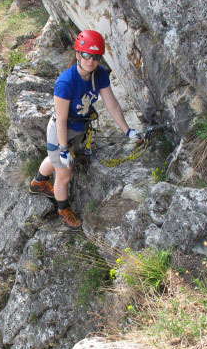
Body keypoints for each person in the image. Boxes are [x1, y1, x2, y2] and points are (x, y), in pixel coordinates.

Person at [28, 29, 139, 229]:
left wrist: (127, 131)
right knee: (64, 174)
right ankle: (63, 210)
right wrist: (63, 149)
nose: (91, 61)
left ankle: (38, 182)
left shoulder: (100, 74)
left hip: (79, 129)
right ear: (78, 54)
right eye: (87, 55)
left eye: (96, 57)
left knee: (55, 159)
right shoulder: (66, 82)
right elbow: (61, 119)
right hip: (61, 130)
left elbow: (112, 104)